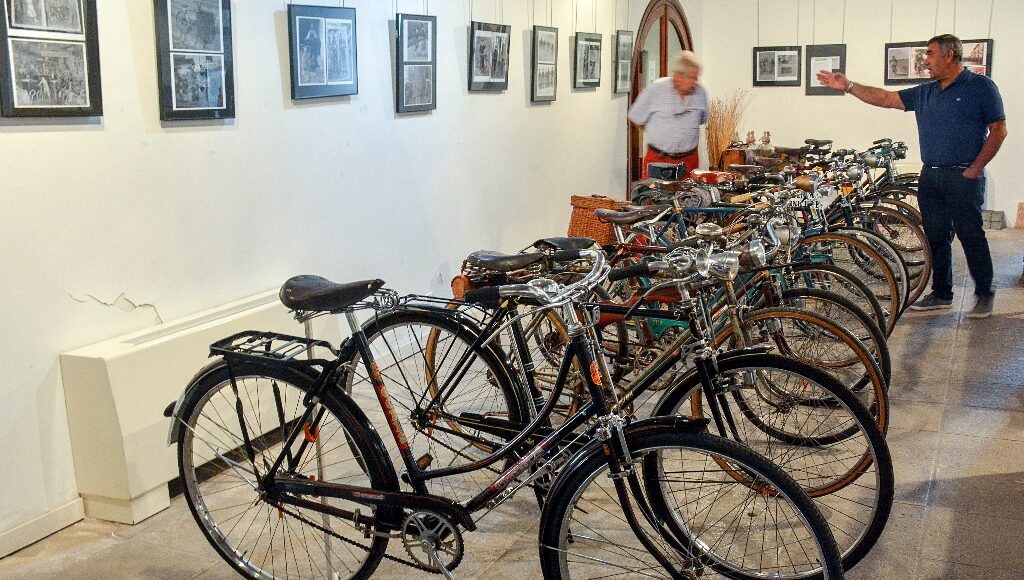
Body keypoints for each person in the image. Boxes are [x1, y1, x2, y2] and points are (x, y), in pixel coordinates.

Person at [817, 34, 1007, 319]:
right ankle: (942, 293)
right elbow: (887, 98)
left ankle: (984, 294)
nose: (925, 61)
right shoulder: (926, 91)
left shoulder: (981, 87)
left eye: (930, 54)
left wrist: (976, 168)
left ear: (949, 56)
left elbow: (999, 130)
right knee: (936, 237)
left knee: (971, 236)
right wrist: (849, 86)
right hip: (931, 175)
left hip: (964, 176)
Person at [628, 51, 708, 179]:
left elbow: (702, 119)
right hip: (658, 160)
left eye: (696, 77)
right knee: (651, 192)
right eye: (692, 78)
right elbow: (636, 117)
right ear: (678, 76)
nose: (696, 82)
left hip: (688, 161)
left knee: (690, 192)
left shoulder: (700, 93)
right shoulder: (656, 89)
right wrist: (657, 132)